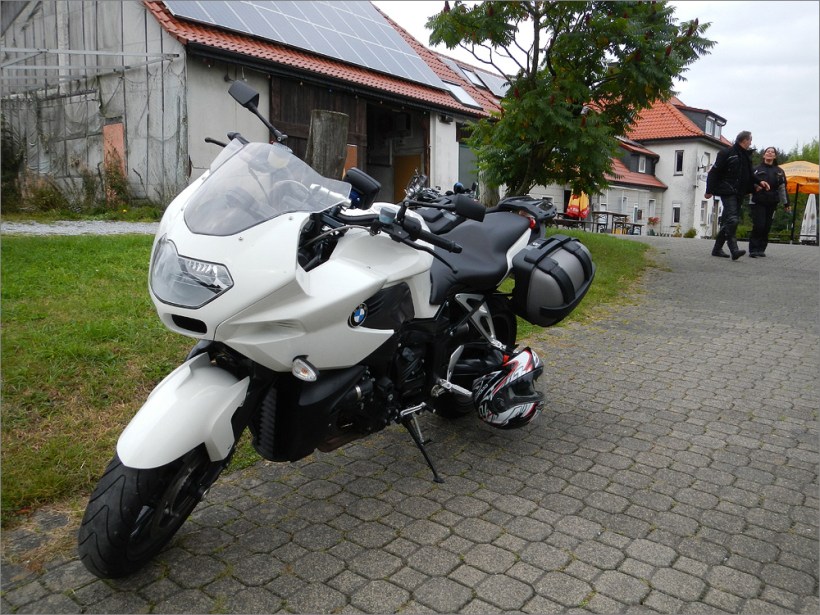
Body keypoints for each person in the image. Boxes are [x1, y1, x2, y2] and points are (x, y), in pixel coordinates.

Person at [705, 131, 769, 260]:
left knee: (728, 221)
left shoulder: (746, 156)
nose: (751, 142)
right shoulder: (726, 153)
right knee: (733, 219)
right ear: (745, 140)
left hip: (740, 192)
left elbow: (750, 174)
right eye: (750, 140)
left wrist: (759, 182)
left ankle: (717, 249)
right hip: (727, 190)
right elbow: (714, 172)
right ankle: (734, 249)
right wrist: (709, 190)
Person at [748, 146, 789, 257]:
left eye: (772, 152)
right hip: (757, 201)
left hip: (772, 202)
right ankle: (753, 249)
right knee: (759, 225)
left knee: (767, 226)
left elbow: (782, 188)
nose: (770, 153)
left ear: (775, 156)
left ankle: (761, 249)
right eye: (768, 151)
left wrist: (786, 203)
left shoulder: (779, 171)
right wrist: (755, 187)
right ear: (764, 155)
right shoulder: (756, 169)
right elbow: (748, 184)